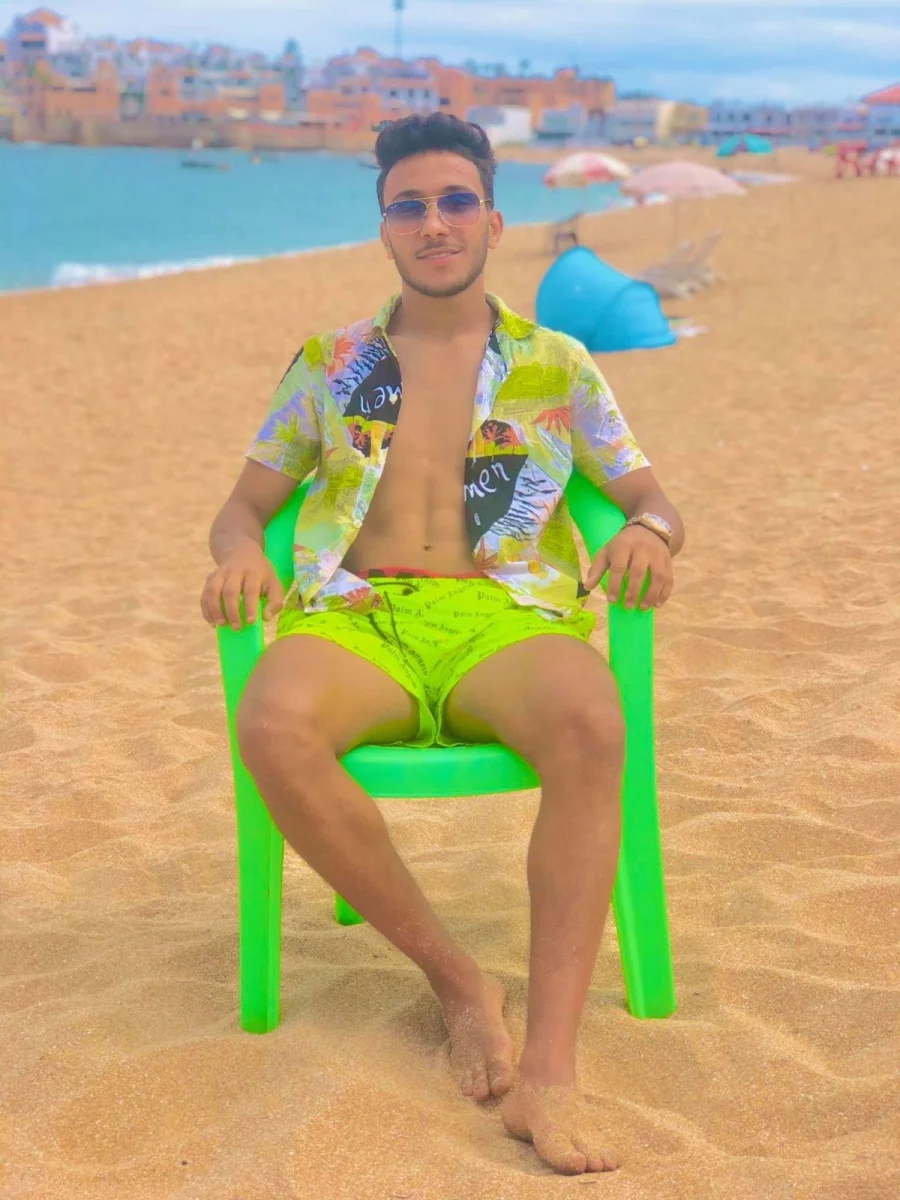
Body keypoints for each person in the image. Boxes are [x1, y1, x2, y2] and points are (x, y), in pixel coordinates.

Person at [202, 113, 684, 1177]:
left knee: (591, 721)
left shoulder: (556, 364)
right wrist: (240, 558)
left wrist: (648, 535)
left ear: (493, 221)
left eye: (456, 201)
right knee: (272, 723)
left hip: (505, 615)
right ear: (384, 229)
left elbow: (651, 498)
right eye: (410, 206)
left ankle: (549, 1072)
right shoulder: (332, 363)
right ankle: (459, 979)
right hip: (357, 615)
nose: (435, 222)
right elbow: (243, 511)